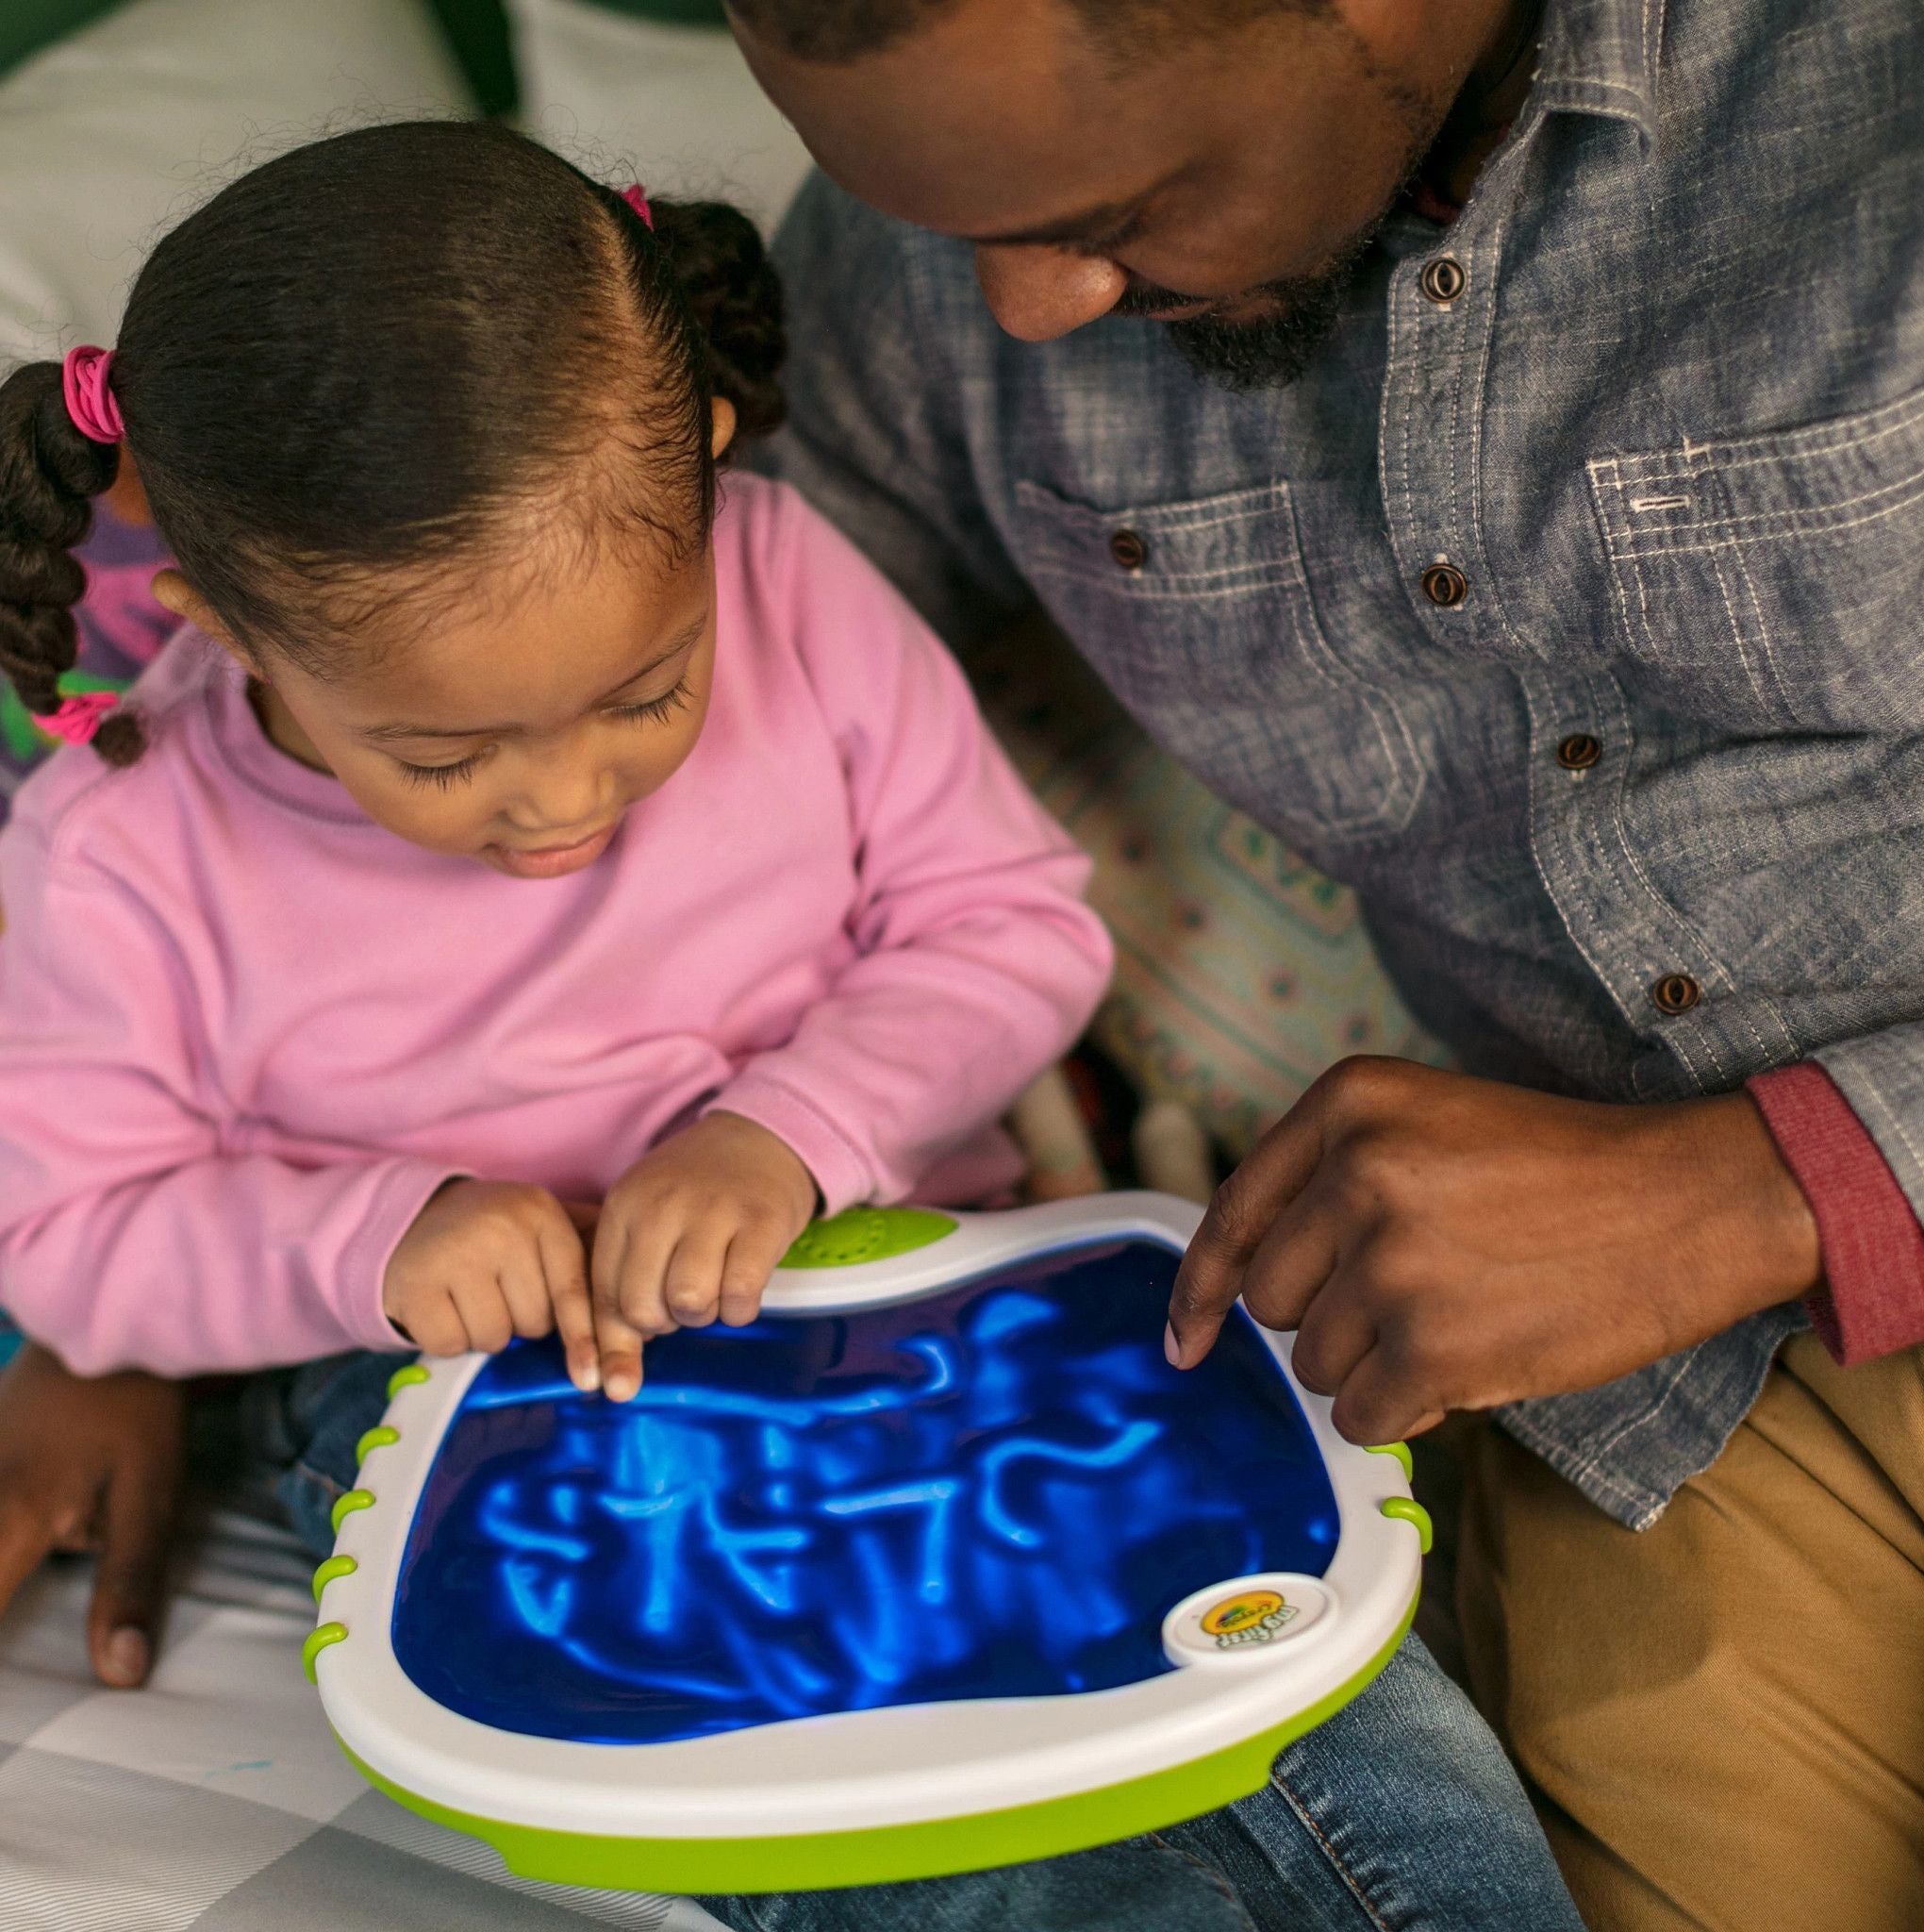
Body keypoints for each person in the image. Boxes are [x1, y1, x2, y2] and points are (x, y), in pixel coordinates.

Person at [0, 119, 1584, 1932]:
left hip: (926, 1283)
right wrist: (376, 1237)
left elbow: (1007, 930)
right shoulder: (122, 846)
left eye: (645, 695)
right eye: (440, 754)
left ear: (712, 485)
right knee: (901, 1823)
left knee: (1317, 1709)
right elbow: (67, 1236)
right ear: (227, 631)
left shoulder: (789, 581)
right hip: (502, 1405)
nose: (562, 802)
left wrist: (789, 1130)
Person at [715, 1, 1924, 1928]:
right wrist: (85, 1291)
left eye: (1118, 210)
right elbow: (635, 770)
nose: (1025, 306)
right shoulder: (935, 265)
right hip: (1663, 1404)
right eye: (960, 234)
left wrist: (1785, 1177)